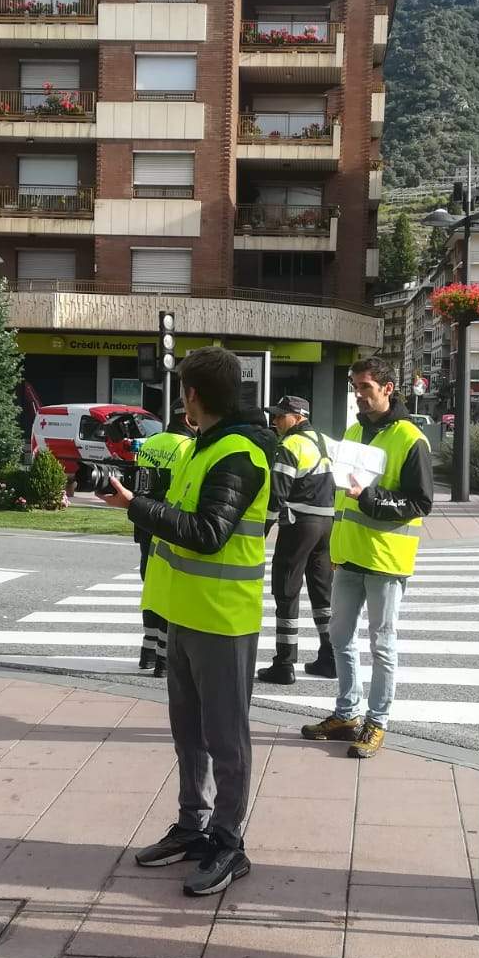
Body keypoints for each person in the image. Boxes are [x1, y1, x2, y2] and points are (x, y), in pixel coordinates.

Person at [103, 346, 274, 896]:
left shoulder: (239, 453)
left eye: (182, 391)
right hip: (185, 613)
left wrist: (134, 506)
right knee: (189, 733)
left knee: (226, 738)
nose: (181, 401)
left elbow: (207, 533)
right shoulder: (202, 446)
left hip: (222, 620)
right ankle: (193, 825)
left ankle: (228, 841)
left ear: (193, 394)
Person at [301, 356, 433, 759]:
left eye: (365, 387)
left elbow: (421, 503)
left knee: (382, 645)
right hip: (349, 554)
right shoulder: (355, 430)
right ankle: (346, 715)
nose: (358, 394)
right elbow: (346, 492)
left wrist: (370, 497)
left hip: (386, 559)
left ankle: (377, 722)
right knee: (339, 637)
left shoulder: (411, 438)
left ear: (388, 388)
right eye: (355, 387)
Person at [258, 395, 336, 685]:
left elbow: (276, 494)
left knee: (286, 590)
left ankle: (284, 663)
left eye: (281, 416)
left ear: (298, 417)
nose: (275, 421)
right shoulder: (324, 441)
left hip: (298, 523)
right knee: (322, 592)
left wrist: (262, 530)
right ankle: (330, 657)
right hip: (326, 523)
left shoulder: (291, 444)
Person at [135, 411, 194, 676]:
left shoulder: (151, 442)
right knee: (169, 591)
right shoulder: (188, 447)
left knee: (150, 587)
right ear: (188, 419)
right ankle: (163, 658)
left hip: (144, 521)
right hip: (169, 522)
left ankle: (147, 652)